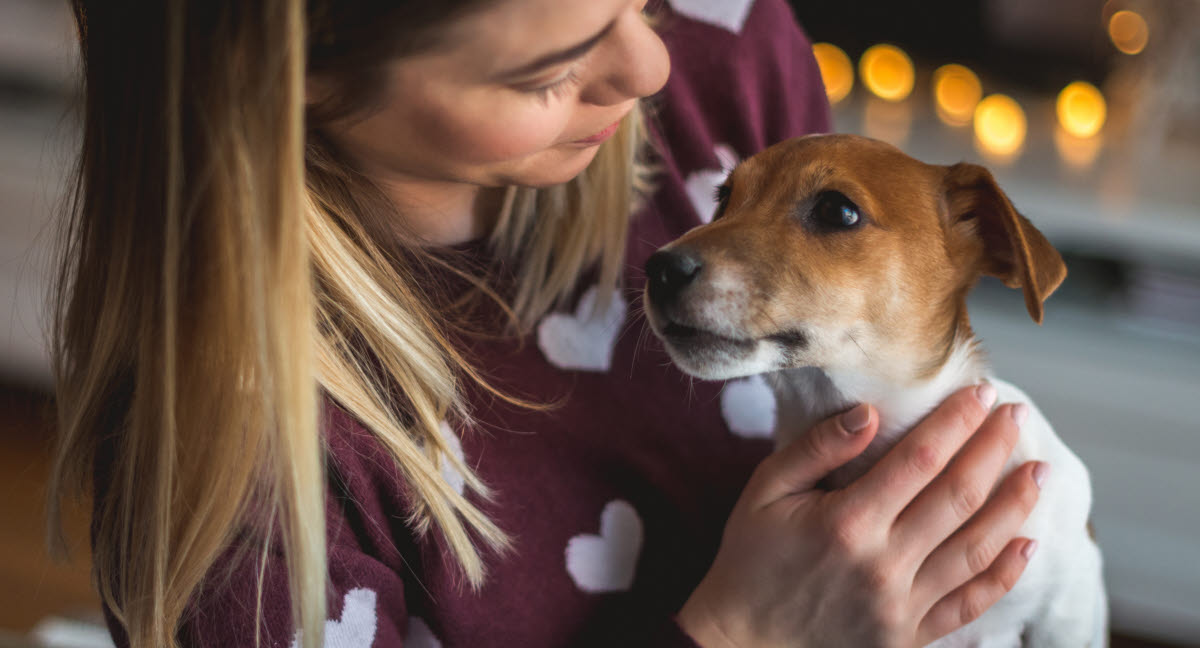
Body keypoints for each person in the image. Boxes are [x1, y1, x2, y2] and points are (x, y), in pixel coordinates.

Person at [47, 0, 1045, 646]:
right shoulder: (238, 488)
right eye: (551, 69)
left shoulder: (723, 55)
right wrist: (746, 634)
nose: (650, 64)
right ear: (298, 66)